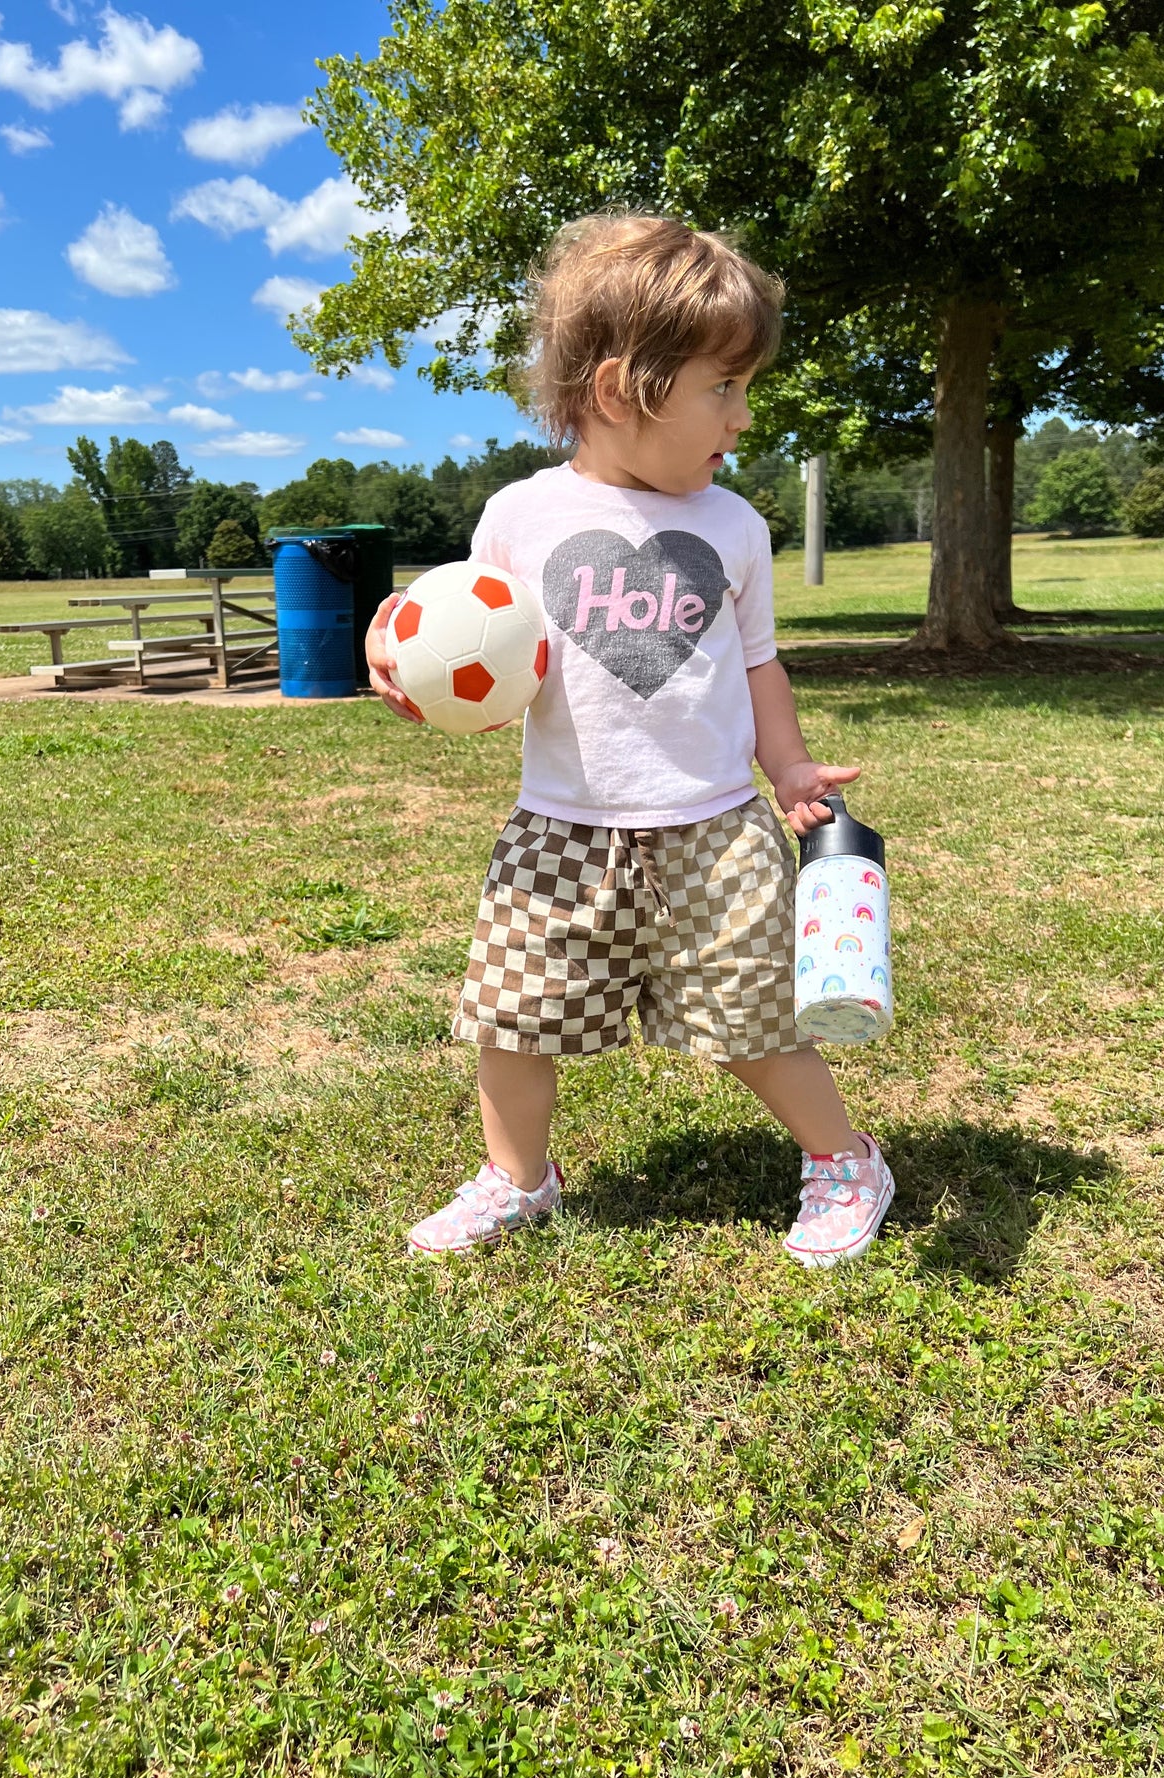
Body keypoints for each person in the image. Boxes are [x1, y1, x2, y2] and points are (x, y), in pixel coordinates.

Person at [365, 213, 894, 1268]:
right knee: (512, 1019)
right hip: (558, 830)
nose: (740, 420)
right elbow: (479, 638)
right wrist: (408, 672)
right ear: (619, 390)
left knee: (755, 1019)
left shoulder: (734, 527)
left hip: (712, 827)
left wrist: (785, 763)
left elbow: (754, 664)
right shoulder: (520, 516)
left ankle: (845, 1160)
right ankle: (515, 1177)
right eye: (721, 388)